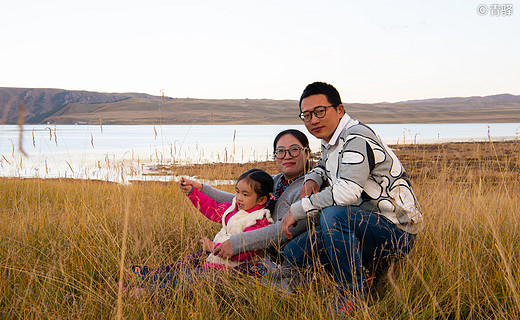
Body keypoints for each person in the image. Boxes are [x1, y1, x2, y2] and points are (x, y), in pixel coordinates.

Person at [281, 82, 424, 313]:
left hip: (396, 231)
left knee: (334, 215)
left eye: (320, 111)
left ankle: (352, 294)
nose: (313, 120)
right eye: (306, 115)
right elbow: (323, 164)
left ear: (339, 110)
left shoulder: (356, 137)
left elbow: (347, 193)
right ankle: (367, 271)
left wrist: (298, 209)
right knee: (294, 253)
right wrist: (313, 178)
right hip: (363, 225)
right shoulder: (331, 139)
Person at [179, 129, 316, 271]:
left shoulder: (310, 187)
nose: (287, 156)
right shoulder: (275, 180)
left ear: (306, 153)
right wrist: (201, 189)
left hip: (266, 262)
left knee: (195, 278)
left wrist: (235, 244)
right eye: (280, 151)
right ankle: (155, 278)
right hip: (243, 251)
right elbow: (238, 201)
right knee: (183, 265)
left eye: (294, 150)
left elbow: (283, 230)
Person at [131, 168, 275, 290]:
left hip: (233, 269)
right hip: (216, 260)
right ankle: (151, 276)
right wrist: (193, 192)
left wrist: (214, 248)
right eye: (237, 192)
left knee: (189, 279)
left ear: (262, 200)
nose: (238, 198)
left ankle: (145, 291)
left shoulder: (259, 220)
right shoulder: (235, 208)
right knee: (188, 264)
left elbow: (245, 252)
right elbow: (212, 209)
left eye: (245, 194)